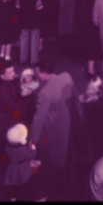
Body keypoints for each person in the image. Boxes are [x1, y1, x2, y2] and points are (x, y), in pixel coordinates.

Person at [29, 60, 75, 196]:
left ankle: (58, 189)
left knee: (55, 160)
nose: (37, 75)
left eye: (38, 72)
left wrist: (32, 139)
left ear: (43, 73)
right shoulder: (67, 77)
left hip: (55, 129)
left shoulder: (45, 93)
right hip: (69, 123)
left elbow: (39, 118)